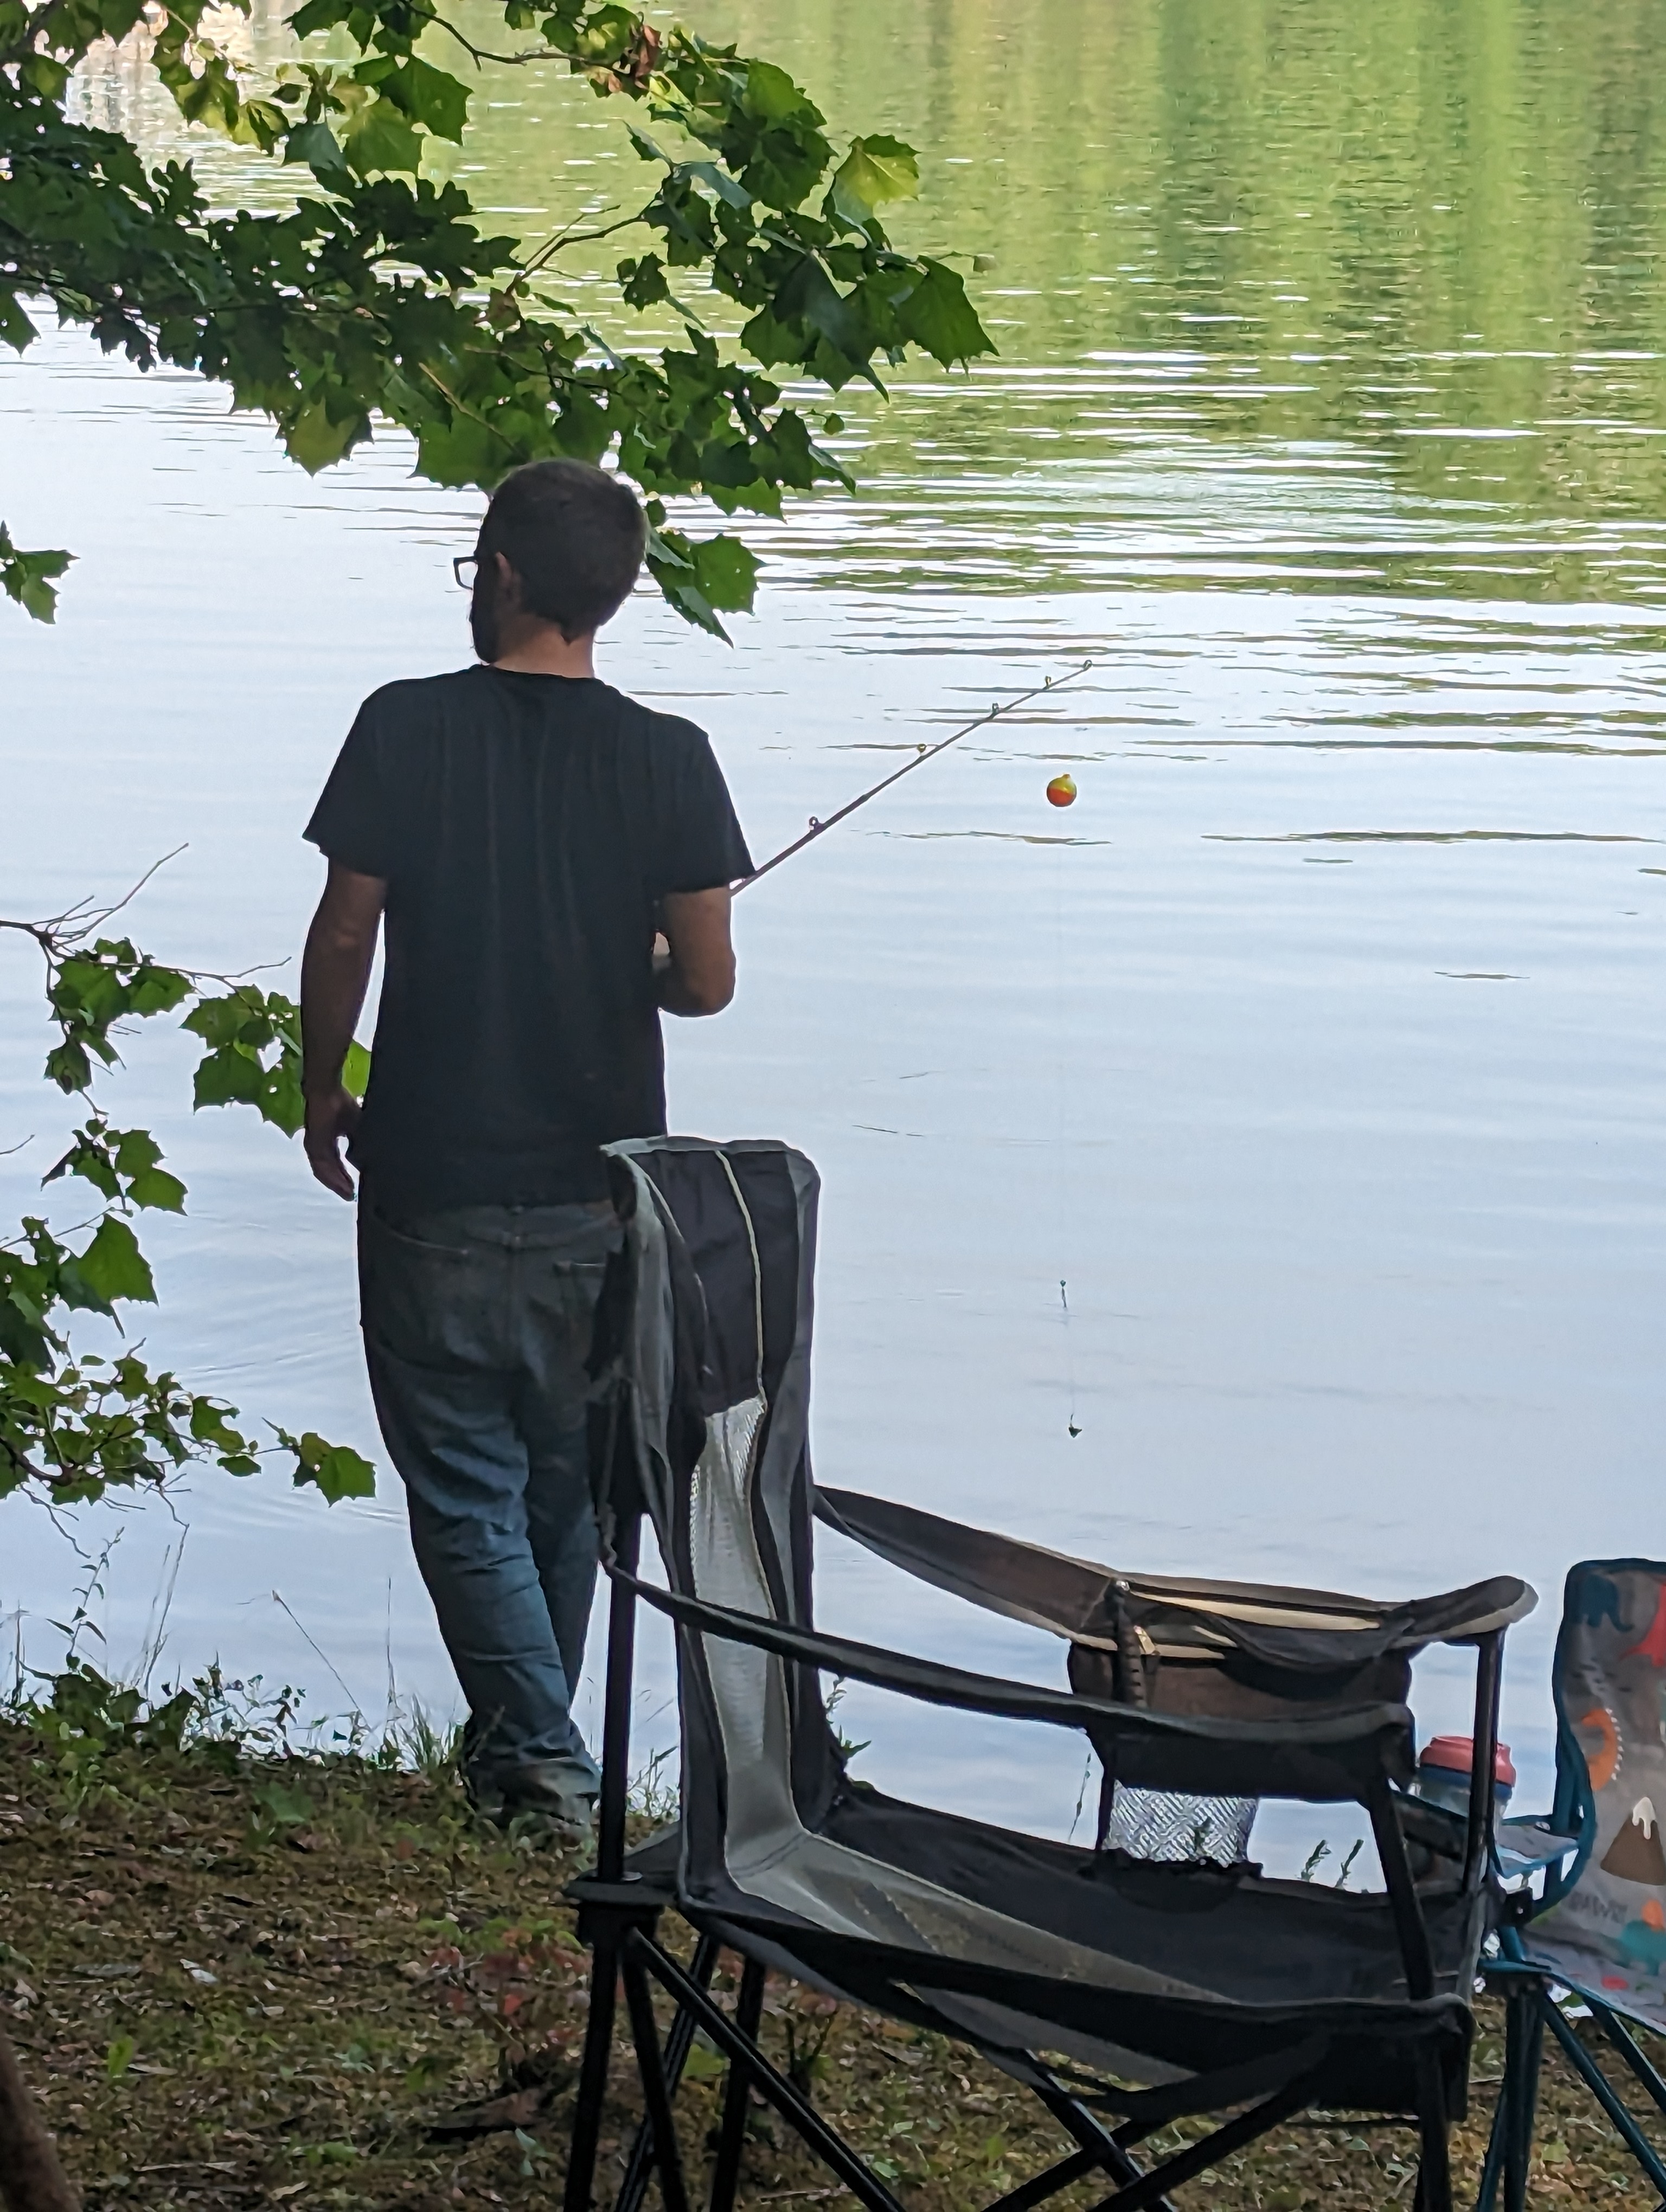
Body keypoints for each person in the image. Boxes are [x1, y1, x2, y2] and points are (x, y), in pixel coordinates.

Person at [298, 458, 753, 1839]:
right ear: (611, 596)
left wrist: (323, 1088)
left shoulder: (404, 726)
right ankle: (532, 1764)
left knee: (462, 1489)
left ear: (500, 574)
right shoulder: (670, 757)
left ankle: (541, 1770)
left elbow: (345, 929)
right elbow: (708, 983)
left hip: (430, 1176)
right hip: (601, 1195)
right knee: (564, 1491)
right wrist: (645, 963)